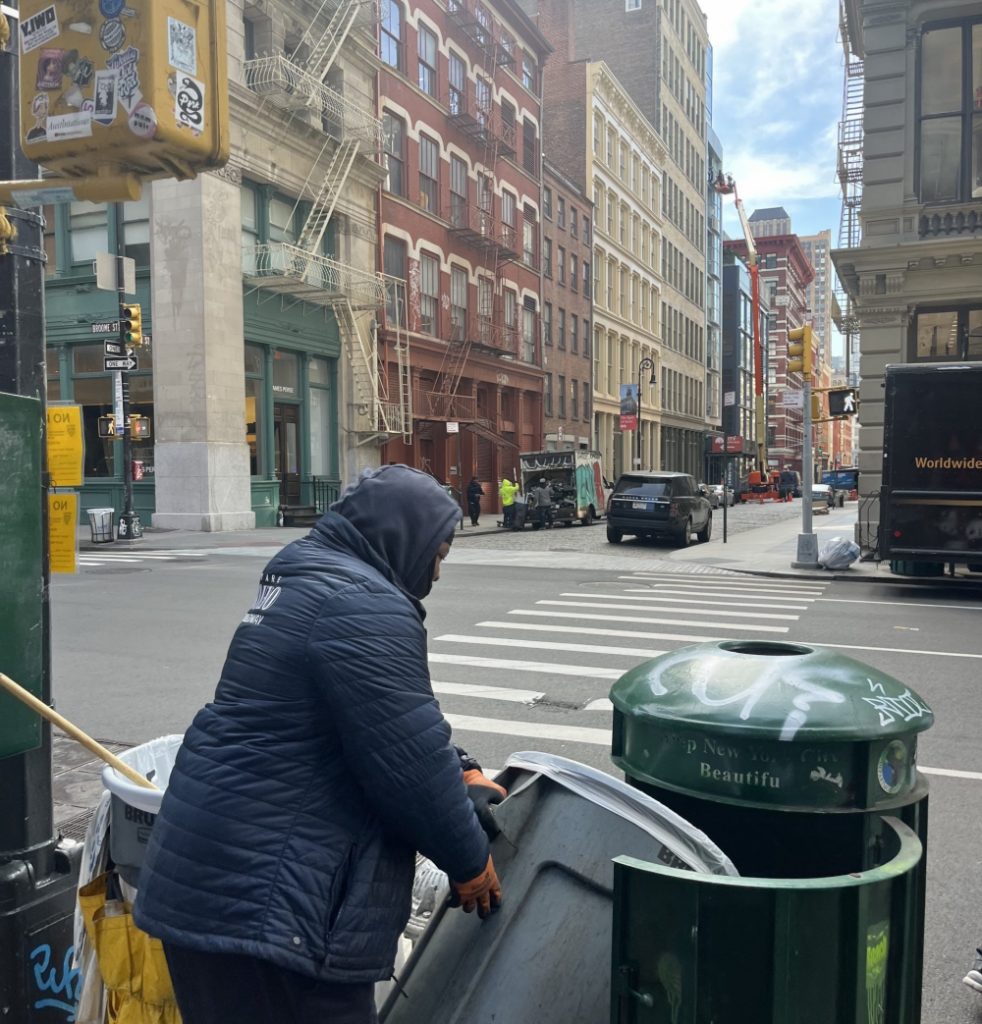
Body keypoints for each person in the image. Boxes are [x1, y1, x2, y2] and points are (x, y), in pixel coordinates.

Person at [133, 465, 505, 1024]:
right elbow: (407, 766)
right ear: (401, 538)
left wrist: (463, 768)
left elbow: (370, 721)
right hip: (266, 911)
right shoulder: (364, 603)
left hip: (213, 885)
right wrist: (470, 861)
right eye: (438, 555)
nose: (436, 571)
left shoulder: (306, 579)